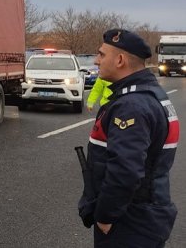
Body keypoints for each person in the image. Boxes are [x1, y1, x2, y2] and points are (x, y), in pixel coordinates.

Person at [78, 29, 179, 247]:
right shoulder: (148, 93)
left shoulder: (131, 105)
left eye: (102, 55)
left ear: (120, 60)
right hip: (146, 214)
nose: (96, 60)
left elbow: (126, 170)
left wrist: (106, 216)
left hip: (130, 222)